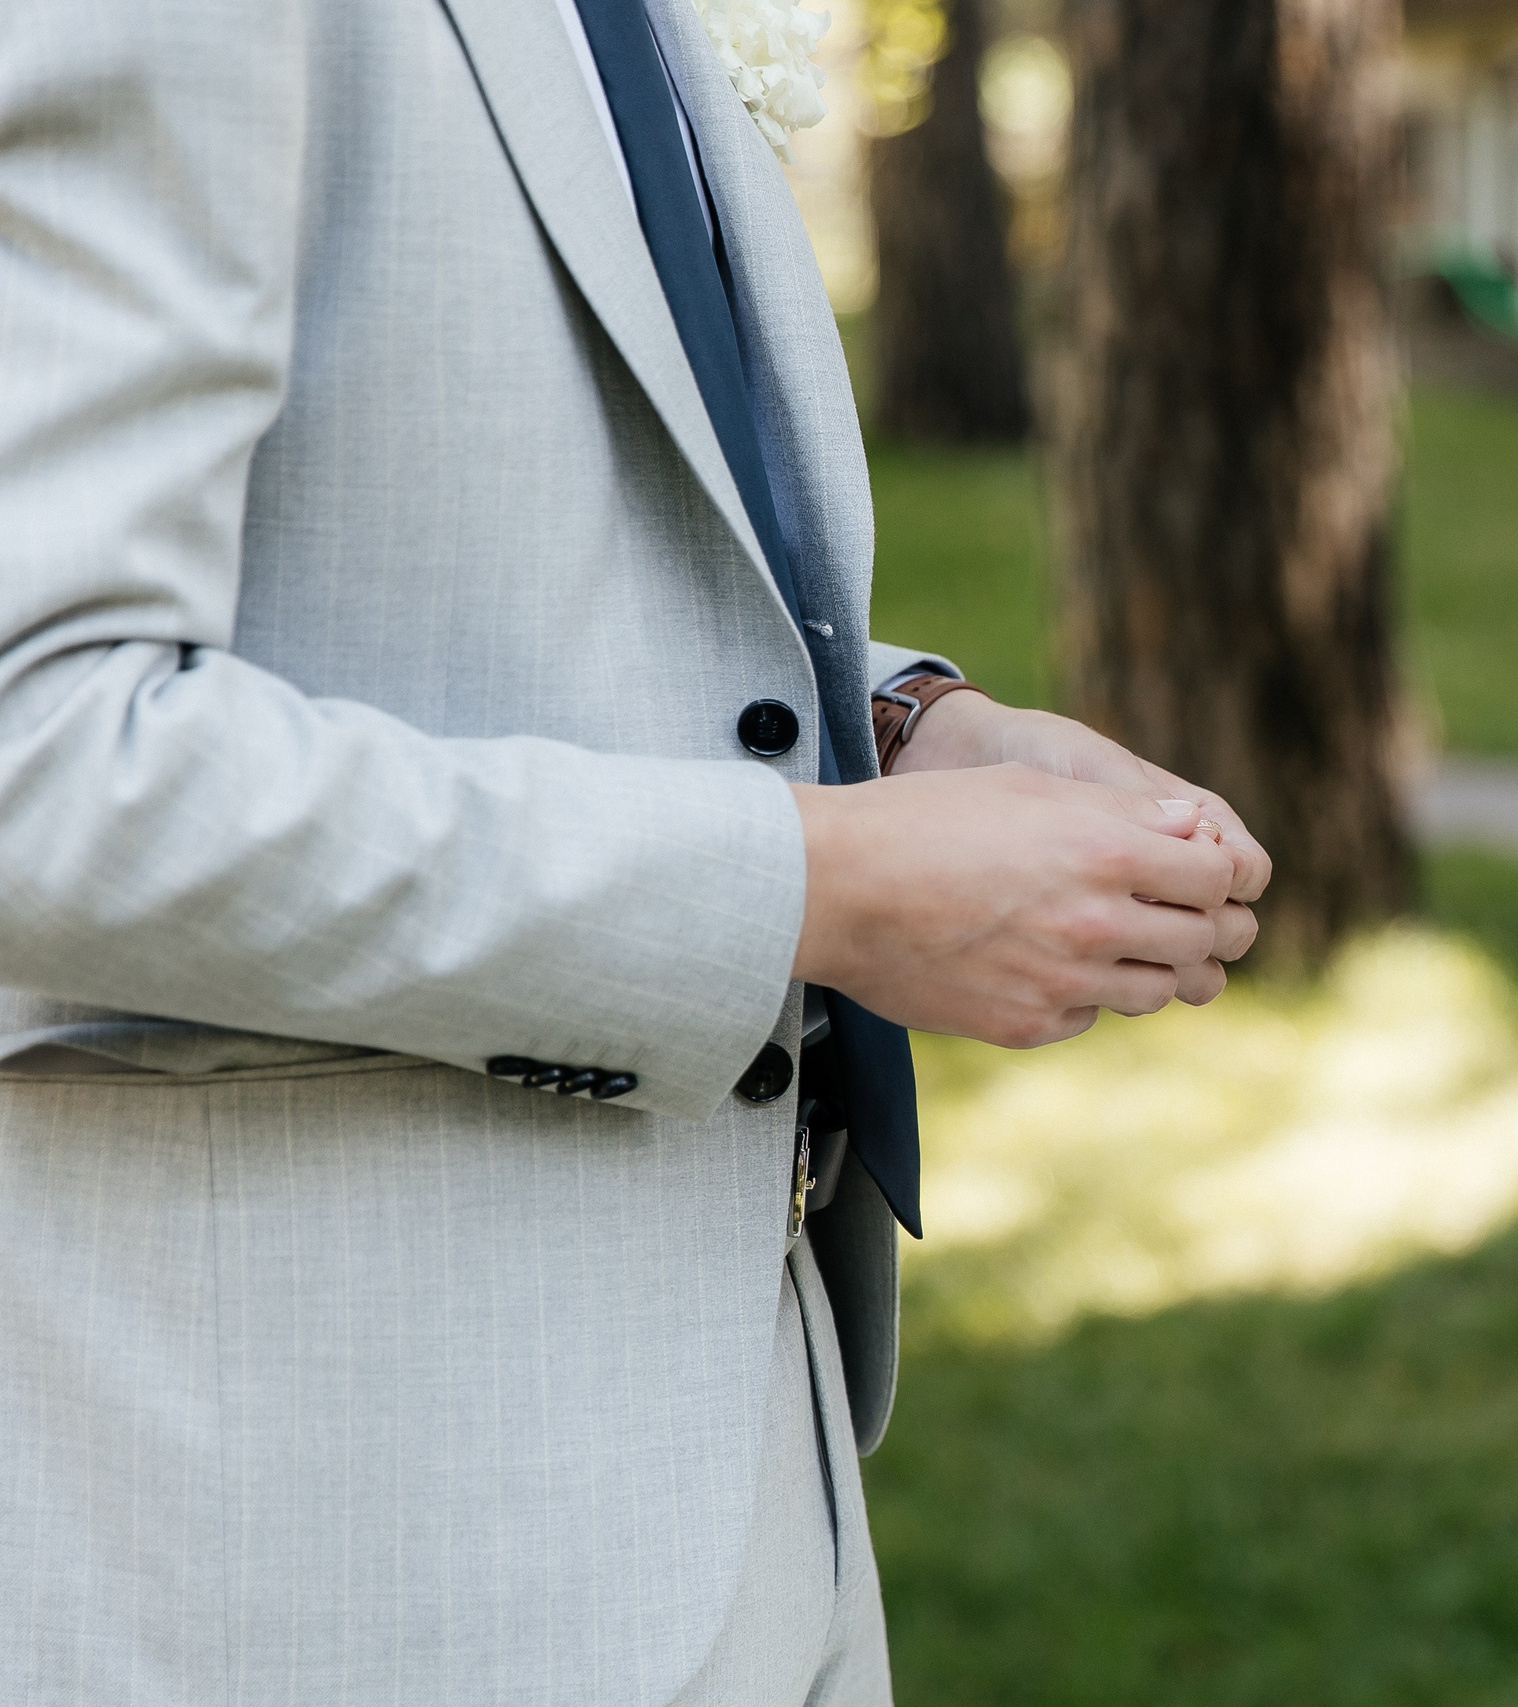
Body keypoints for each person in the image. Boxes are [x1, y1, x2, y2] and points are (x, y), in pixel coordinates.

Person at [0, 0, 1266, 1703]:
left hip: (754, 1451)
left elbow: (491, 551)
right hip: (341, 1537)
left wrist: (899, 731)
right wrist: (821, 882)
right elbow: (41, 753)